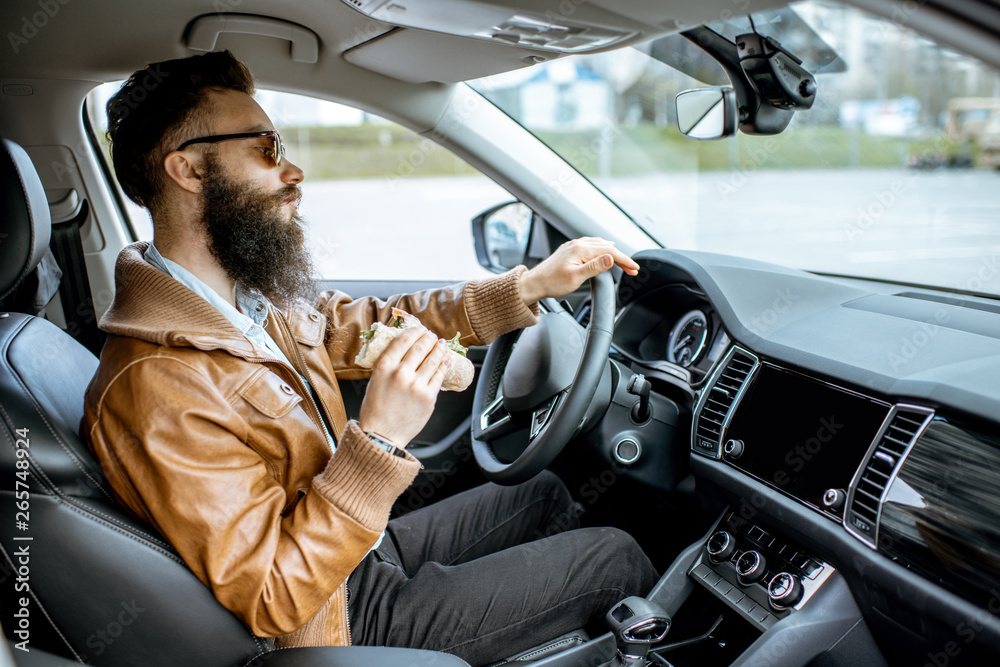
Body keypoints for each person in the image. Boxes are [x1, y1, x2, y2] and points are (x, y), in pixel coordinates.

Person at [82, 50, 658, 665]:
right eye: (268, 148)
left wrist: (527, 289)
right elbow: (275, 596)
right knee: (613, 557)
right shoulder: (156, 387)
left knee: (543, 492)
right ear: (189, 169)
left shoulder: (240, 301)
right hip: (335, 621)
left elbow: (364, 324)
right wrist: (379, 440)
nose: (294, 170)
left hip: (358, 552)